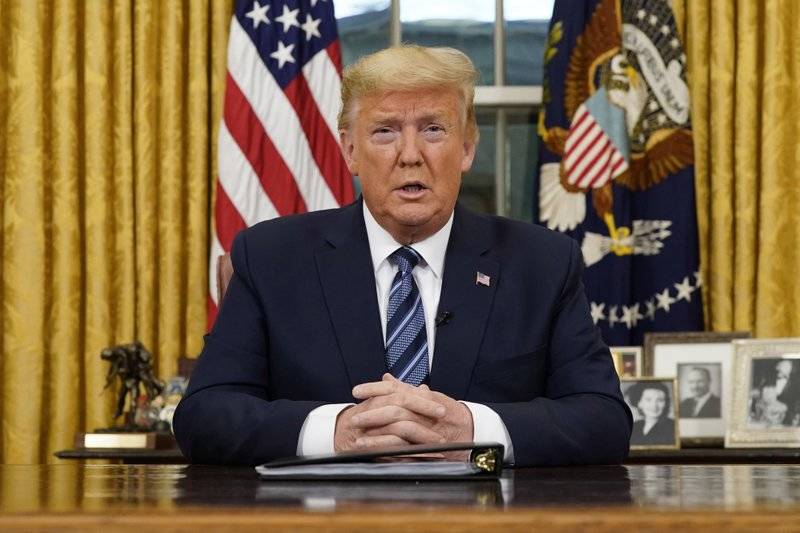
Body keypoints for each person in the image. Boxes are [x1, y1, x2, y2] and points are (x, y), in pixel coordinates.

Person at [172, 45, 632, 467]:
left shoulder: (543, 263)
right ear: (350, 149)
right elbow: (204, 416)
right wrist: (338, 432)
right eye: (385, 131)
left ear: (468, 147)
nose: (410, 155)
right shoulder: (270, 258)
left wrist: (472, 430)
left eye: (433, 129)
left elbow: (604, 420)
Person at [628, 382, 675, 446]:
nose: (654, 405)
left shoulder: (672, 427)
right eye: (648, 400)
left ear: (666, 403)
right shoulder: (634, 426)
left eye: (660, 400)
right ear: (639, 403)